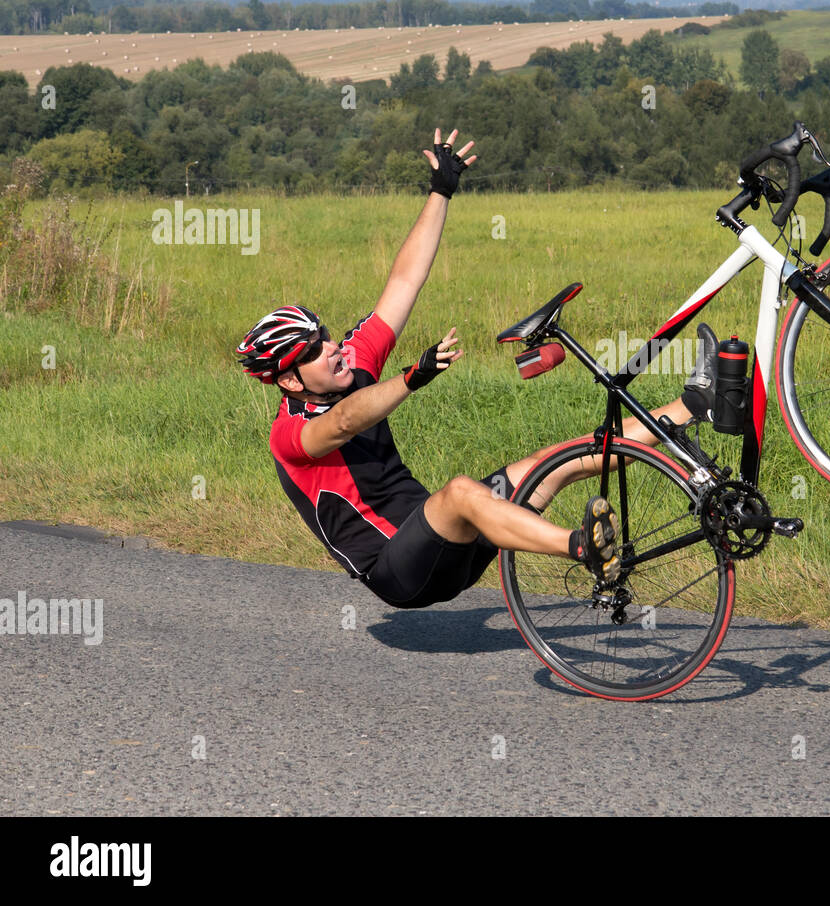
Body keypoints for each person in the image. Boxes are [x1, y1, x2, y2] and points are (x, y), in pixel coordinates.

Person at [235, 129, 708, 610]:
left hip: (450, 540)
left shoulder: (352, 363)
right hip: (398, 572)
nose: (333, 349)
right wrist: (411, 379)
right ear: (289, 380)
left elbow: (406, 278)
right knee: (461, 491)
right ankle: (583, 547)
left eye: (326, 336)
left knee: (551, 465)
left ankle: (694, 406)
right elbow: (343, 421)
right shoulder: (289, 435)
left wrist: (441, 191)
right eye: (314, 351)